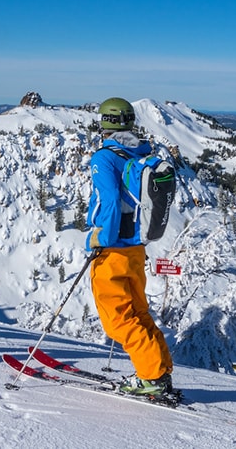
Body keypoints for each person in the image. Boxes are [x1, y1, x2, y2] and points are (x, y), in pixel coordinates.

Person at [85, 97, 174, 396]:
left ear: (104, 122)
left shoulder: (105, 157)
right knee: (138, 311)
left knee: (118, 320)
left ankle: (151, 377)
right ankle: (159, 369)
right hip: (136, 249)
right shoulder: (138, 153)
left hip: (113, 250)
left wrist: (99, 239)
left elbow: (109, 201)